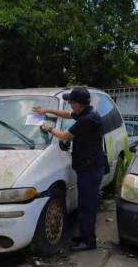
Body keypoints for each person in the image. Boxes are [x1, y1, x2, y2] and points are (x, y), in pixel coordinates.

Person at [33, 87, 108, 252]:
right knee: (85, 205)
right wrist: (46, 110)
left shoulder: (86, 120)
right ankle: (84, 236)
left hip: (90, 169)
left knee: (87, 207)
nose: (69, 105)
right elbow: (67, 115)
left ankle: (88, 242)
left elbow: (65, 136)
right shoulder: (85, 113)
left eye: (71, 102)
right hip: (90, 167)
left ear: (79, 105)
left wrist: (49, 128)